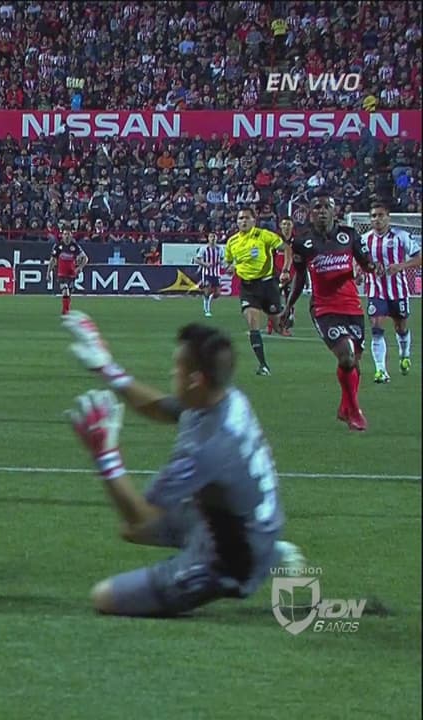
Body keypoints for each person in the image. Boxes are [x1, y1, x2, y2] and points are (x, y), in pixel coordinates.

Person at [60, 311, 305, 617]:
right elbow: (162, 408)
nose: (171, 372)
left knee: (104, 597)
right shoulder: (226, 400)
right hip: (250, 520)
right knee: (131, 530)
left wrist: (105, 455)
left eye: (177, 367)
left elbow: (142, 517)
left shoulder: (206, 449)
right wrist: (107, 368)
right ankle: (268, 546)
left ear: (195, 380)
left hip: (233, 560)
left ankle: (255, 563)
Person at [282, 191, 380, 432]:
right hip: (324, 307)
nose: (322, 211)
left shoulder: (350, 235)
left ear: (335, 210)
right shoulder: (302, 243)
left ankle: (344, 408)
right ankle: (354, 412)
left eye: (327, 206)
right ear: (310, 213)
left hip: (352, 306)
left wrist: (372, 267)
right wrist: (289, 305)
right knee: (346, 357)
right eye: (317, 207)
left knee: (354, 362)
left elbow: (366, 263)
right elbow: (300, 278)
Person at [360, 201, 421, 383]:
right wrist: (359, 272)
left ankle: (404, 354)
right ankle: (381, 370)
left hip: (398, 291)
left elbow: (419, 258)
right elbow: (358, 260)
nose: (377, 219)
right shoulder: (364, 239)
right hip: (375, 291)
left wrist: (401, 266)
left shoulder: (401, 236)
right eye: (373, 216)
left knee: (400, 328)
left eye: (380, 215)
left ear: (388, 217)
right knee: (376, 329)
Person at [224, 208, 285, 376]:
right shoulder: (232, 241)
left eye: (246, 218)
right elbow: (228, 262)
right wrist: (230, 267)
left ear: (254, 220)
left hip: (268, 285)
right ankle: (263, 365)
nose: (243, 221)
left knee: (278, 326)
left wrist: (286, 266)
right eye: (240, 218)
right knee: (253, 323)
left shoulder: (263, 235)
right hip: (248, 288)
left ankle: (285, 315)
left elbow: (284, 247)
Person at [47, 232, 88, 315]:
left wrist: (79, 267)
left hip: (71, 274)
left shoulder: (75, 246)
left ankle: (66, 309)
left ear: (71, 236)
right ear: (62, 235)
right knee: (65, 290)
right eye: (65, 234)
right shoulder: (58, 246)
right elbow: (52, 260)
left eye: (68, 234)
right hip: (61, 273)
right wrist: (48, 272)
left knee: (68, 292)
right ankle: (65, 311)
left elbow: (85, 258)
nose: (67, 236)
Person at [273, 216, 296, 336]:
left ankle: (285, 325)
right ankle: (271, 326)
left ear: (292, 226)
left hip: (292, 274)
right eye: (284, 224)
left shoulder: (296, 240)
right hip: (277, 273)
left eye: (289, 224)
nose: (286, 227)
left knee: (290, 300)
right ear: (280, 226)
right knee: (273, 299)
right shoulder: (275, 240)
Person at [194, 231, 225, 317]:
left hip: (216, 273)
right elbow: (196, 259)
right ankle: (207, 309)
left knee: (217, 293)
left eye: (214, 237)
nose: (213, 238)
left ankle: (208, 300)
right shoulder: (204, 248)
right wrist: (205, 264)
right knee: (207, 290)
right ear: (208, 238)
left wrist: (222, 263)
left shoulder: (220, 249)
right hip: (207, 273)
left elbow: (222, 260)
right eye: (211, 237)